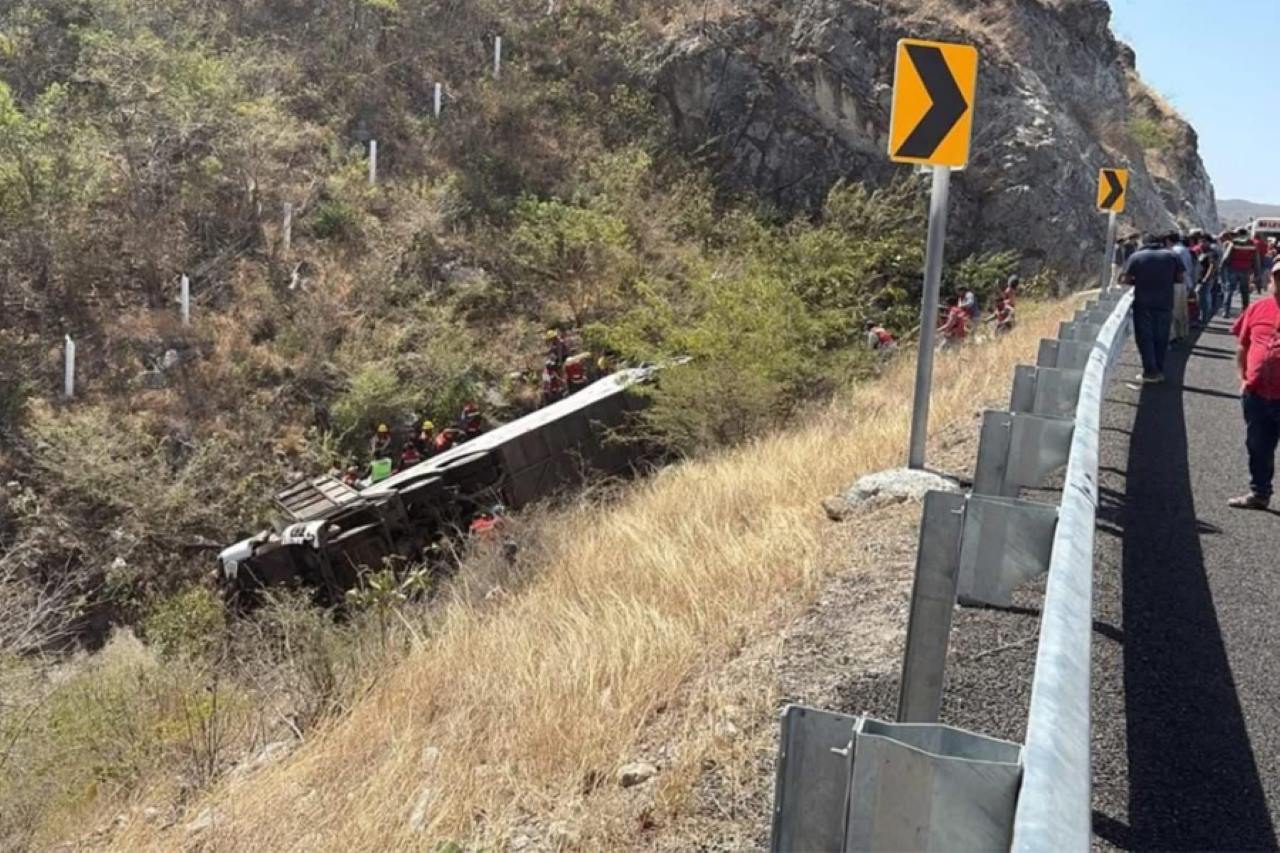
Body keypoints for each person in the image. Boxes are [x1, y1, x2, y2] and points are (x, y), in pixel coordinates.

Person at [1228, 265, 1280, 509]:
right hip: (1257, 395)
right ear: (1271, 279)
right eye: (1278, 277)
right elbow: (1243, 346)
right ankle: (1259, 493)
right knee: (1258, 447)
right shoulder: (1258, 308)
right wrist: (1244, 380)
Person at [1120, 232, 1183, 383]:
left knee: (1145, 338)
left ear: (1145, 243)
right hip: (1165, 303)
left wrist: (1139, 280)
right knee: (1161, 337)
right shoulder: (1172, 256)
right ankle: (1159, 370)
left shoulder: (1136, 256)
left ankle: (1150, 372)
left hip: (1143, 303)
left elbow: (1125, 279)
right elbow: (1180, 278)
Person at [1223, 227, 1261, 318]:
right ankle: (1245, 311)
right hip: (1246, 270)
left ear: (1239, 234)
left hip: (1233, 269)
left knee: (1229, 291)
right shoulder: (1252, 244)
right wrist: (1257, 273)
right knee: (1245, 291)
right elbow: (1256, 260)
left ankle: (1226, 311)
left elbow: (1226, 257)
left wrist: (1224, 266)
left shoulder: (1233, 243)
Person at [1168, 231, 1196, 344]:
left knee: (1174, 311)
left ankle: (1174, 335)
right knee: (1181, 310)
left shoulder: (1174, 251)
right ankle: (1181, 333)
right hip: (1185, 283)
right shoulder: (1185, 250)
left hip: (1176, 283)